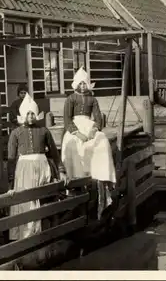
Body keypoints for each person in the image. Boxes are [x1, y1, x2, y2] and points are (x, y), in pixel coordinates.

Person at [7, 92, 66, 240]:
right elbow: (11, 158)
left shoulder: (44, 131)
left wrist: (61, 170)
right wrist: (10, 180)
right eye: (27, 114)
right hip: (24, 169)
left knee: (43, 197)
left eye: (33, 114)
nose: (30, 117)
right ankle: (25, 235)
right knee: (26, 200)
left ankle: (44, 233)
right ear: (22, 115)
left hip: (41, 166)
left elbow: (54, 152)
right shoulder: (15, 133)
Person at [61, 67, 116, 219]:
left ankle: (100, 173)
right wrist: (77, 133)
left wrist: (94, 130)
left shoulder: (93, 99)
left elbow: (98, 118)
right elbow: (66, 119)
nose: (83, 87)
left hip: (88, 124)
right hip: (75, 127)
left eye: (85, 84)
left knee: (102, 141)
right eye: (80, 84)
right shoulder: (70, 99)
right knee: (72, 143)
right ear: (76, 85)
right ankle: (77, 176)